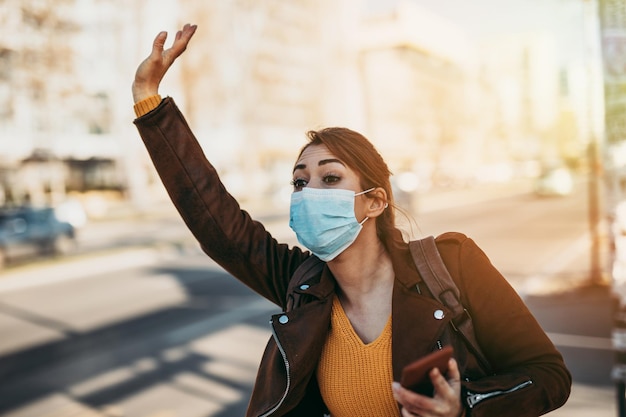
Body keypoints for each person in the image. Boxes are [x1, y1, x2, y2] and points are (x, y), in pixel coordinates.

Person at [132, 24, 571, 417]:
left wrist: (466, 407)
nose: (309, 194)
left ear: (375, 201)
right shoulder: (301, 284)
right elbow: (216, 222)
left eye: (331, 177)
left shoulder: (452, 265)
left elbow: (549, 375)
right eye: (300, 182)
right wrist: (149, 102)